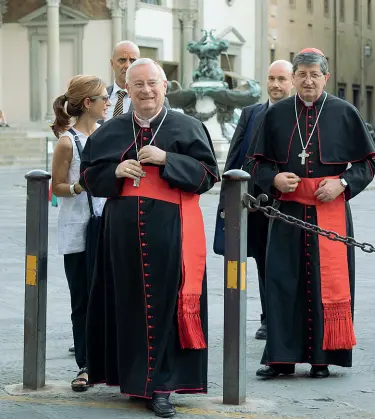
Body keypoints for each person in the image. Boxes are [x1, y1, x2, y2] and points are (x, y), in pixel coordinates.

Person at [79, 58, 219, 417]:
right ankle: (131, 379)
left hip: (171, 232)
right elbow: (89, 178)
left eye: (152, 83)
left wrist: (167, 158)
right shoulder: (109, 131)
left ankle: (161, 387)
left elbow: (207, 175)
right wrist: (115, 171)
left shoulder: (188, 126)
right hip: (120, 236)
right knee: (124, 302)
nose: (146, 90)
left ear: (165, 86)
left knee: (166, 307)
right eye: (137, 84)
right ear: (127, 90)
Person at [244, 48, 375, 379]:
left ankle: (321, 358)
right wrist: (273, 178)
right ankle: (280, 359)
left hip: (330, 210)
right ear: (293, 78)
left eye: (314, 74)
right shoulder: (276, 115)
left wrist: (343, 182)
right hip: (287, 211)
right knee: (282, 281)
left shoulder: (345, 112)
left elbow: (368, 162)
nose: (307, 80)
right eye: (301, 74)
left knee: (323, 284)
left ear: (325, 78)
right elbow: (254, 162)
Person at [214, 60, 293, 341]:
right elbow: (235, 157)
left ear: (292, 82)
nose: (275, 85)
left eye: (282, 79)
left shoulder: (302, 116)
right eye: (271, 78)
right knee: (262, 261)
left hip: (290, 206)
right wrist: (228, 202)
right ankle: (267, 317)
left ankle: (286, 319)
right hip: (256, 203)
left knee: (286, 264)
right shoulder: (251, 113)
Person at [51, 75, 108, 391]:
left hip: (105, 227)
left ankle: (106, 360)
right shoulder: (66, 142)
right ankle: (85, 365)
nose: (108, 103)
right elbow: (55, 187)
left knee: (107, 295)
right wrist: (77, 186)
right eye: (103, 98)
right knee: (82, 299)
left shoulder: (106, 136)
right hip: (77, 231)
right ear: (89, 103)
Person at [105, 40, 169, 121]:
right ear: (112, 63)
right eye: (122, 60)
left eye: (133, 61)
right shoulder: (100, 96)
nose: (127, 65)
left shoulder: (156, 99)